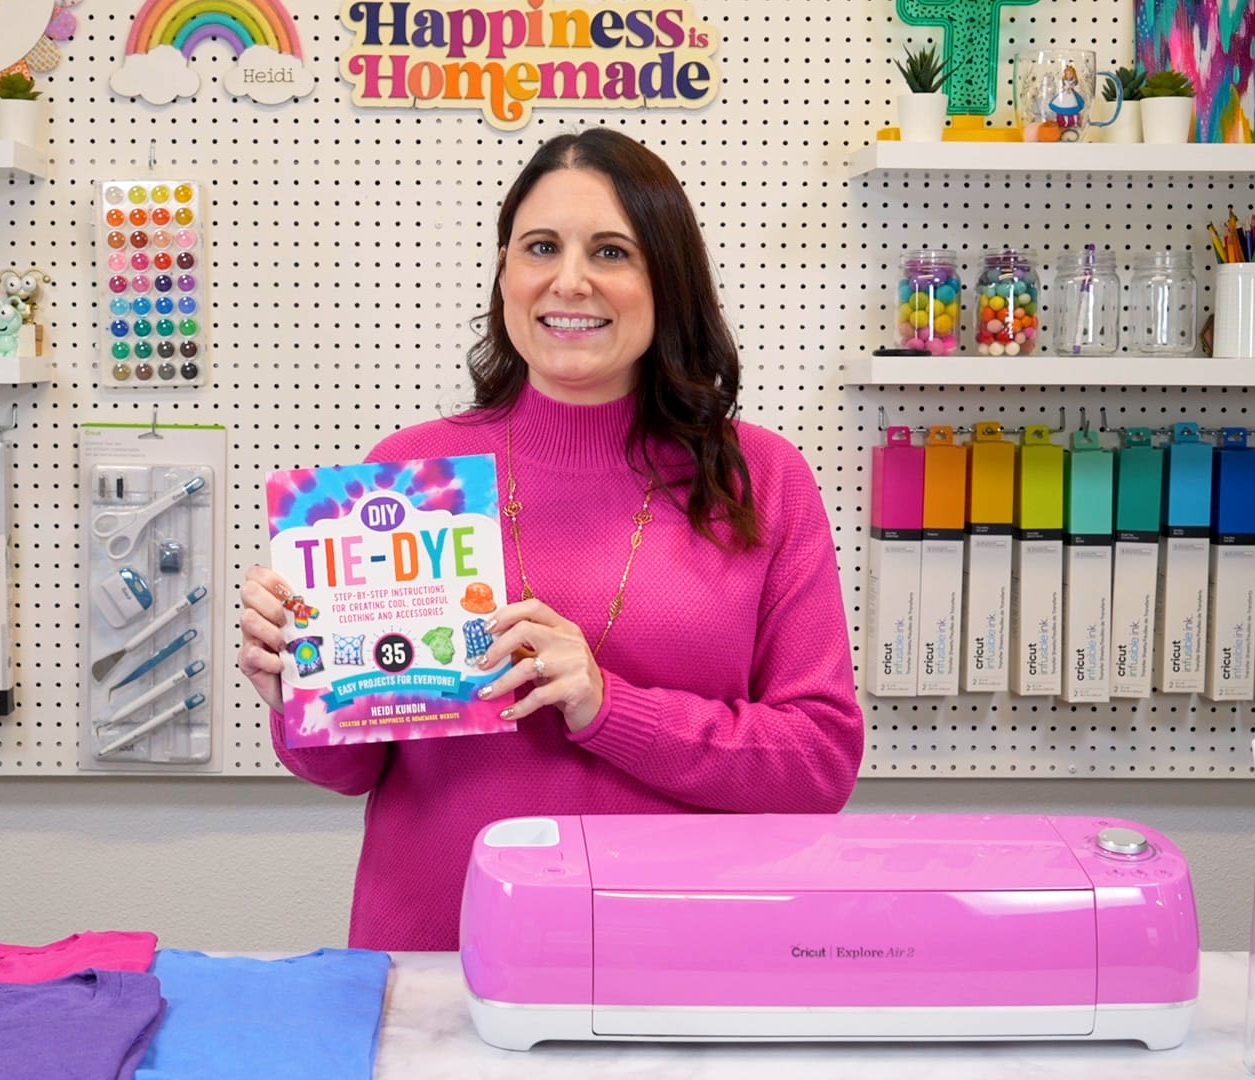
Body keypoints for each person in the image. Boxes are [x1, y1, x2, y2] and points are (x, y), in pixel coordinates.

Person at [238, 128, 864, 951]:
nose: (570, 281)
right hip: (440, 956)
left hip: (683, 961)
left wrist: (611, 706)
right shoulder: (408, 476)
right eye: (541, 247)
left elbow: (817, 764)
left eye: (611, 251)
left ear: (666, 282)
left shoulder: (762, 479)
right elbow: (353, 770)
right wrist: (300, 693)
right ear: (505, 272)